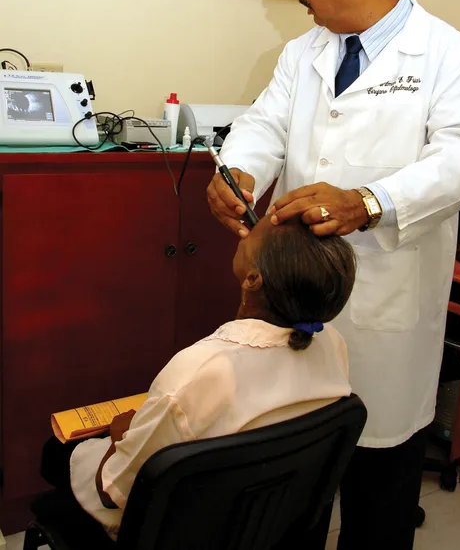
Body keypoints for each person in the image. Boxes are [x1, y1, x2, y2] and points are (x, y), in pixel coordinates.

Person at [207, 0, 460, 549]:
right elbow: (266, 123)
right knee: (293, 479)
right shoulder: (303, 51)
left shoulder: (448, 54)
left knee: (378, 492)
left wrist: (367, 202)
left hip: (387, 300)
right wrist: (240, 171)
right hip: (300, 294)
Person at [40, 215, 355, 541]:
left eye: (251, 234)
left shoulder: (198, 371)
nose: (242, 235)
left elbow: (113, 491)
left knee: (55, 452)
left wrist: (123, 434)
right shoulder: (333, 345)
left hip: (186, 531)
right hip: (271, 518)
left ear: (252, 279)